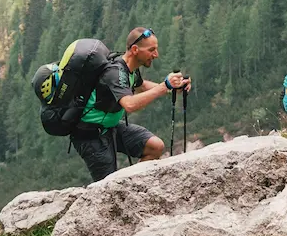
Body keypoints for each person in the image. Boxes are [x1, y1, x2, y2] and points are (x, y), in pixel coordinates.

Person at [40, 28, 190, 182]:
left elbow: (141, 86)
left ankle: (133, 187)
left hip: (110, 127)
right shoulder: (115, 73)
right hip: (90, 135)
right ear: (135, 50)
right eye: (151, 50)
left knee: (154, 146)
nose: (156, 55)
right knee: (108, 187)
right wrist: (164, 86)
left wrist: (173, 88)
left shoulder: (130, 69)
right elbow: (130, 104)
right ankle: (126, 192)